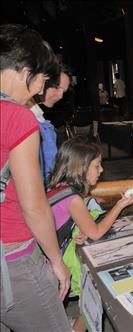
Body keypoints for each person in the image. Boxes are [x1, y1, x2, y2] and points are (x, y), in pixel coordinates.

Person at [0, 23, 72, 331]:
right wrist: (57, 260)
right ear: (24, 70)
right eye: (42, 79)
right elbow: (33, 204)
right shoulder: (18, 117)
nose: (41, 91)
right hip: (12, 256)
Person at [46, 137, 133, 331]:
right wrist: (120, 205)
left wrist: (82, 228)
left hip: (43, 256)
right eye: (97, 166)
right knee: (95, 295)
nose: (101, 170)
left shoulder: (56, 185)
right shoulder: (73, 198)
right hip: (49, 267)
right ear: (81, 168)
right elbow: (96, 233)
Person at [26, 64, 72, 180]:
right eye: (56, 87)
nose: (60, 95)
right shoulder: (25, 115)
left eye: (63, 91)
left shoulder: (36, 113)